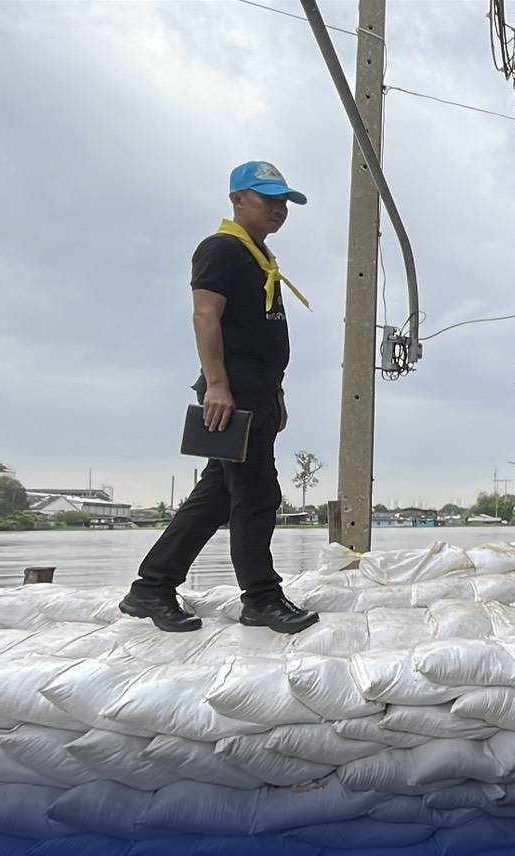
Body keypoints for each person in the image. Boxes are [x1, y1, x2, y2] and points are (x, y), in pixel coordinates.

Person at [120, 162, 319, 634]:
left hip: (257, 390)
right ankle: (261, 599)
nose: (278, 209)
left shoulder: (258, 256)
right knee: (256, 495)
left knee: (215, 498)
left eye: (283, 202)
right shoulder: (222, 250)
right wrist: (217, 385)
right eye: (267, 199)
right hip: (232, 393)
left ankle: (151, 586)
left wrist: (277, 391)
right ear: (237, 200)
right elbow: (206, 317)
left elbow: (260, 336)